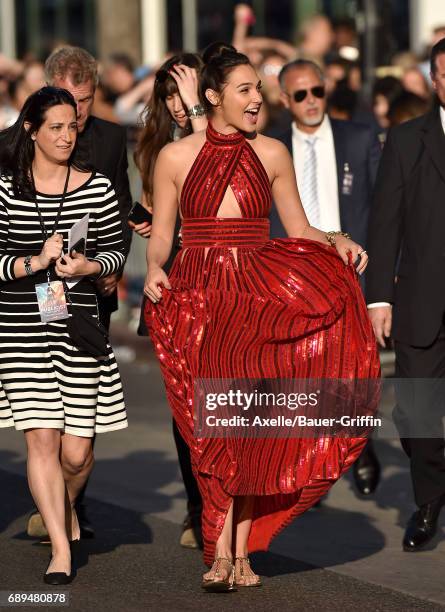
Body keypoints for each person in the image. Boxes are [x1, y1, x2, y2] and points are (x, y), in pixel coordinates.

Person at [144, 43, 380, 591]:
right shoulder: (175, 158)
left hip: (258, 298)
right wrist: (156, 270)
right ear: (213, 97)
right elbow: (160, 238)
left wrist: (338, 241)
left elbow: (299, 228)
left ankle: (240, 551)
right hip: (202, 298)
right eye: (245, 90)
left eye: (258, 90)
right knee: (217, 428)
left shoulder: (272, 152)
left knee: (250, 427)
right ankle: (218, 550)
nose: (257, 100)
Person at [0, 86, 127, 583]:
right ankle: (60, 548)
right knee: (42, 443)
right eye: (55, 127)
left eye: (72, 125)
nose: (66, 136)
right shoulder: (7, 187)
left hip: (76, 322)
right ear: (30, 129)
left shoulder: (96, 185)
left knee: (77, 452)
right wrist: (33, 261)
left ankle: (65, 506)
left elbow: (116, 253)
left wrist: (91, 264)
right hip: (20, 325)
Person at [25, 45, 133, 541]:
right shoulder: (15, 142)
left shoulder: (110, 140)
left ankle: (70, 500)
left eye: (85, 102)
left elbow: (122, 211)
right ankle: (61, 512)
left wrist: (110, 267)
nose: (75, 116)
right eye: (66, 103)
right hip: (37, 295)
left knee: (80, 425)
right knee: (47, 417)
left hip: (92, 291)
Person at [270, 58, 382, 496]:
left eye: (317, 91)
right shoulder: (273, 146)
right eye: (300, 95)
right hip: (297, 273)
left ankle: (361, 446)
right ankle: (314, 467)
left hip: (352, 267)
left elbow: (382, 210)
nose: (311, 101)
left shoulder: (360, 137)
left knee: (357, 369)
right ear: (285, 100)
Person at [366, 37, 445, 552]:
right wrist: (379, 299)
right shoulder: (407, 138)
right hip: (421, 298)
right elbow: (385, 222)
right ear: (434, 80)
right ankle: (430, 500)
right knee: (416, 413)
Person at [134, 52, 207, 549]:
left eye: (183, 93)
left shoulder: (224, 137)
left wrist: (198, 103)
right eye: (169, 96)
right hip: (171, 282)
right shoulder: (156, 147)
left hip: (215, 283)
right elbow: (162, 225)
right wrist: (152, 225)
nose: (177, 105)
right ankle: (196, 506)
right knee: (184, 406)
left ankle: (219, 501)